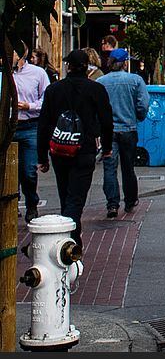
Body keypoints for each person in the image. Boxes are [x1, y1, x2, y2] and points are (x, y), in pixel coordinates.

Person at [37, 50, 114, 247]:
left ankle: (71, 239)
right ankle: (68, 242)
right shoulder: (96, 89)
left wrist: (42, 156)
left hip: (60, 150)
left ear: (68, 66)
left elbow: (44, 124)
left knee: (66, 195)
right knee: (76, 198)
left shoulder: (54, 90)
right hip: (84, 149)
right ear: (87, 67)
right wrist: (106, 148)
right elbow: (106, 122)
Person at [97, 49, 150, 218]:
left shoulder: (101, 82)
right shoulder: (135, 80)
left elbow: (96, 107)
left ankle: (112, 204)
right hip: (128, 129)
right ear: (125, 63)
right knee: (128, 167)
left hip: (108, 131)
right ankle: (130, 200)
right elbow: (143, 104)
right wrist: (138, 116)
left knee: (109, 168)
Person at [13, 49, 50, 223]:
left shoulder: (38, 73)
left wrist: (30, 106)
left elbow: (46, 99)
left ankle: (31, 205)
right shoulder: (4, 73)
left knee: (28, 170)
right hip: (8, 126)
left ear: (21, 55)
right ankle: (11, 204)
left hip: (30, 125)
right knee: (8, 170)